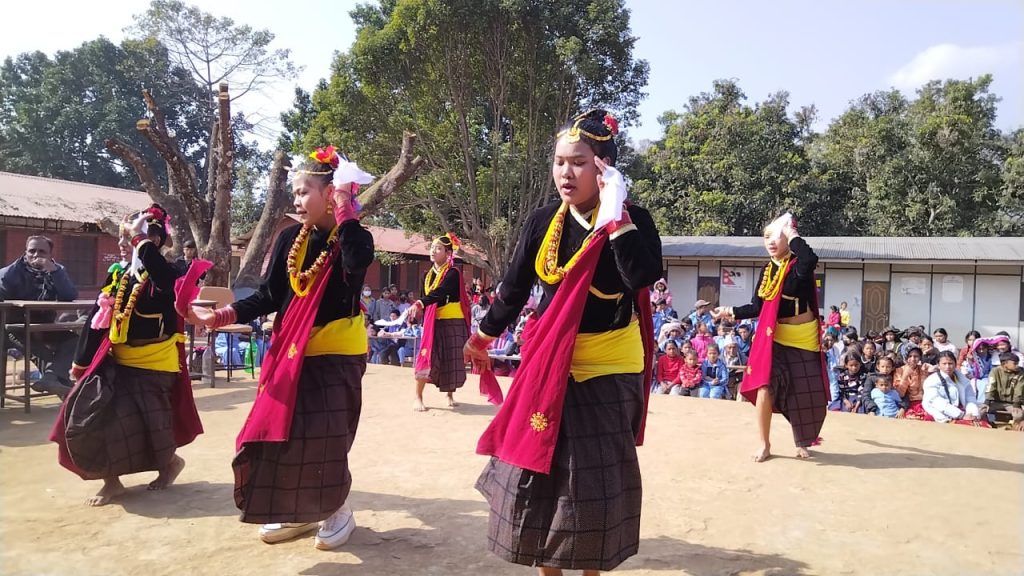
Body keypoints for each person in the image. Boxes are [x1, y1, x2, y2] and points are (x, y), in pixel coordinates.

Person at [466, 109, 661, 573]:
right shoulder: (542, 223)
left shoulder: (633, 220)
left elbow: (641, 276)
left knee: (594, 484)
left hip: (610, 363)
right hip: (550, 359)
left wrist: (616, 219)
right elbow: (514, 288)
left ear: (604, 167)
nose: (565, 173)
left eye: (578, 162)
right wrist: (484, 335)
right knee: (539, 472)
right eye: (559, 162)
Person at [191, 146, 374, 549]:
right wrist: (220, 316)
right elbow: (269, 296)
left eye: (304, 191)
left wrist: (345, 208)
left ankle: (337, 509)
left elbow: (356, 262)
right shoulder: (291, 237)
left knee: (326, 436)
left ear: (330, 193)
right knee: (285, 435)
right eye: (295, 192)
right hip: (292, 350)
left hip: (337, 352)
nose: (296, 200)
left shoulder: (354, 237)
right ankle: (299, 511)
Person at [50, 206, 205, 507]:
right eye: (123, 236)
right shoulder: (119, 275)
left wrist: (140, 242)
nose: (123, 243)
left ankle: (169, 464)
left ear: (153, 240)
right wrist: (81, 362)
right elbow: (97, 319)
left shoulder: (173, 273)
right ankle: (112, 482)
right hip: (116, 360)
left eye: (130, 237)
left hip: (154, 363)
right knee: (94, 415)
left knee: (150, 427)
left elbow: (164, 282)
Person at [713, 213, 828, 461]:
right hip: (774, 337)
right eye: (767, 237)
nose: (771, 242)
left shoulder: (798, 264)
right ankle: (764, 444)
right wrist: (729, 311)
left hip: (803, 337)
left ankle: (801, 441)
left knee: (804, 392)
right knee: (764, 386)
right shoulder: (768, 270)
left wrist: (792, 233)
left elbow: (810, 259)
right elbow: (757, 307)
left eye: (777, 236)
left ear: (788, 238)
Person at [0, 235, 80, 398]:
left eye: (42, 251)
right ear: (25, 252)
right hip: (13, 328)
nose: (36, 255)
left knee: (75, 341)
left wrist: (54, 272)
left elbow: (70, 295)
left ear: (50, 255)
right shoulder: (10, 273)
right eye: (32, 251)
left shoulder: (57, 270)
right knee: (44, 355)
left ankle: (51, 380)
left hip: (44, 325)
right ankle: (67, 395)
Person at [408, 233, 471, 411]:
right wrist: (419, 310)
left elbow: (440, 292)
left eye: (438, 248)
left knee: (452, 358)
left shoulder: (453, 273)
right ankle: (418, 396)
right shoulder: (426, 275)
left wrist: (420, 303)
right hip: (433, 321)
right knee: (427, 355)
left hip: (453, 321)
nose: (433, 251)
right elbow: (426, 297)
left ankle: (449, 394)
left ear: (448, 253)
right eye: (432, 248)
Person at [923, 351, 983, 424]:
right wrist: (960, 415)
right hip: (940, 412)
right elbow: (936, 402)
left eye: (950, 363)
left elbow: (970, 398)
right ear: (938, 365)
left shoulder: (963, 380)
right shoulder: (931, 380)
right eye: (944, 364)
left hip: (962, 411)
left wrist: (972, 413)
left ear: (955, 364)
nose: (947, 367)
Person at [984, 352, 1024, 430]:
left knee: (1018, 415)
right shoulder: (995, 371)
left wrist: (1016, 404)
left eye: (1018, 363)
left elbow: (1019, 390)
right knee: (981, 411)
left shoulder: (1020, 373)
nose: (1017, 365)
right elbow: (991, 386)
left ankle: (1013, 429)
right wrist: (987, 401)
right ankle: (986, 426)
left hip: (1012, 403)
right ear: (1005, 364)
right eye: (1015, 363)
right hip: (995, 402)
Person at [895, 347, 929, 419]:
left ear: (920, 358)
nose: (913, 359)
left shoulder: (923, 369)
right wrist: (905, 376)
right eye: (910, 356)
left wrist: (931, 371)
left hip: (924, 402)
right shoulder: (899, 370)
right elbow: (900, 394)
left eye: (916, 356)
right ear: (905, 357)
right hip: (907, 403)